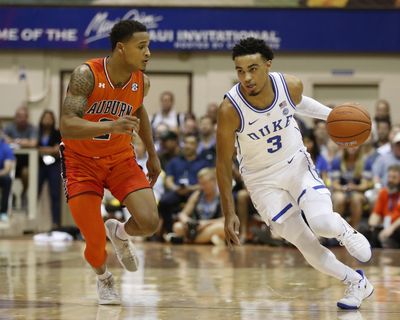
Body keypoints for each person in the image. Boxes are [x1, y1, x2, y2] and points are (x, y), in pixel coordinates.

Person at [216, 37, 373, 310]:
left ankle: (344, 231)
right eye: (240, 71)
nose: (247, 77)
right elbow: (221, 164)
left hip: (295, 165)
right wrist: (228, 212)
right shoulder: (230, 109)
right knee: (305, 244)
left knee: (322, 223)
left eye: (253, 68)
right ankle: (356, 282)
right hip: (261, 181)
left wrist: (332, 116)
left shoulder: (289, 84)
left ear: (268, 65)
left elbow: (299, 102)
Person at [60, 20, 160, 305]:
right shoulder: (86, 75)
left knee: (150, 222)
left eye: (148, 46)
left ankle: (120, 231)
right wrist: (110, 127)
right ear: (121, 48)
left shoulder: (142, 80)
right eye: (142, 46)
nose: (148, 52)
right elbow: (67, 125)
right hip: (80, 163)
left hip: (120, 159)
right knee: (94, 244)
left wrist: (152, 153)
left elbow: (139, 113)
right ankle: (104, 278)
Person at [170, 168, 225, 245]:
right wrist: (187, 221)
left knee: (221, 228)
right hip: (196, 228)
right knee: (177, 226)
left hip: (211, 226)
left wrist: (206, 223)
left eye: (205, 183)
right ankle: (208, 239)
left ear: (214, 181)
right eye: (201, 184)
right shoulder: (197, 194)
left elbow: (226, 219)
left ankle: (187, 240)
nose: (203, 187)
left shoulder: (222, 196)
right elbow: (182, 214)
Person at [4, 106, 38, 207]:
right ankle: (10, 195)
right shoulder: (9, 127)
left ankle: (24, 193)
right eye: (19, 116)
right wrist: (23, 141)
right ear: (15, 117)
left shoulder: (32, 128)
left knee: (26, 173)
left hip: (25, 163)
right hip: (10, 161)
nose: (22, 119)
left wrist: (14, 141)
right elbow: (4, 140)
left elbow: (33, 143)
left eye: (24, 116)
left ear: (27, 117)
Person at [37, 110, 62, 228]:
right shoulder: (37, 133)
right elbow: (34, 146)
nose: (47, 120)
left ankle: (55, 223)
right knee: (35, 191)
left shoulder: (57, 133)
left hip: (54, 166)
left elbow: (57, 149)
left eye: (49, 118)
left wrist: (42, 149)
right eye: (45, 118)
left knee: (55, 194)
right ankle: (33, 221)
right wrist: (49, 149)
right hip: (40, 166)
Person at [367, 164, 400, 248]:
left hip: (396, 227)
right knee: (369, 232)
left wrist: (391, 228)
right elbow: (376, 213)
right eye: (389, 177)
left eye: (394, 177)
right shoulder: (384, 192)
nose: (390, 180)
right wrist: (371, 226)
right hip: (385, 226)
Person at [0, 127, 15, 221]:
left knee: (7, 179)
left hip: (1, 175)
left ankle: (3, 211)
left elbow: (7, 169)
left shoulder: (6, 148)